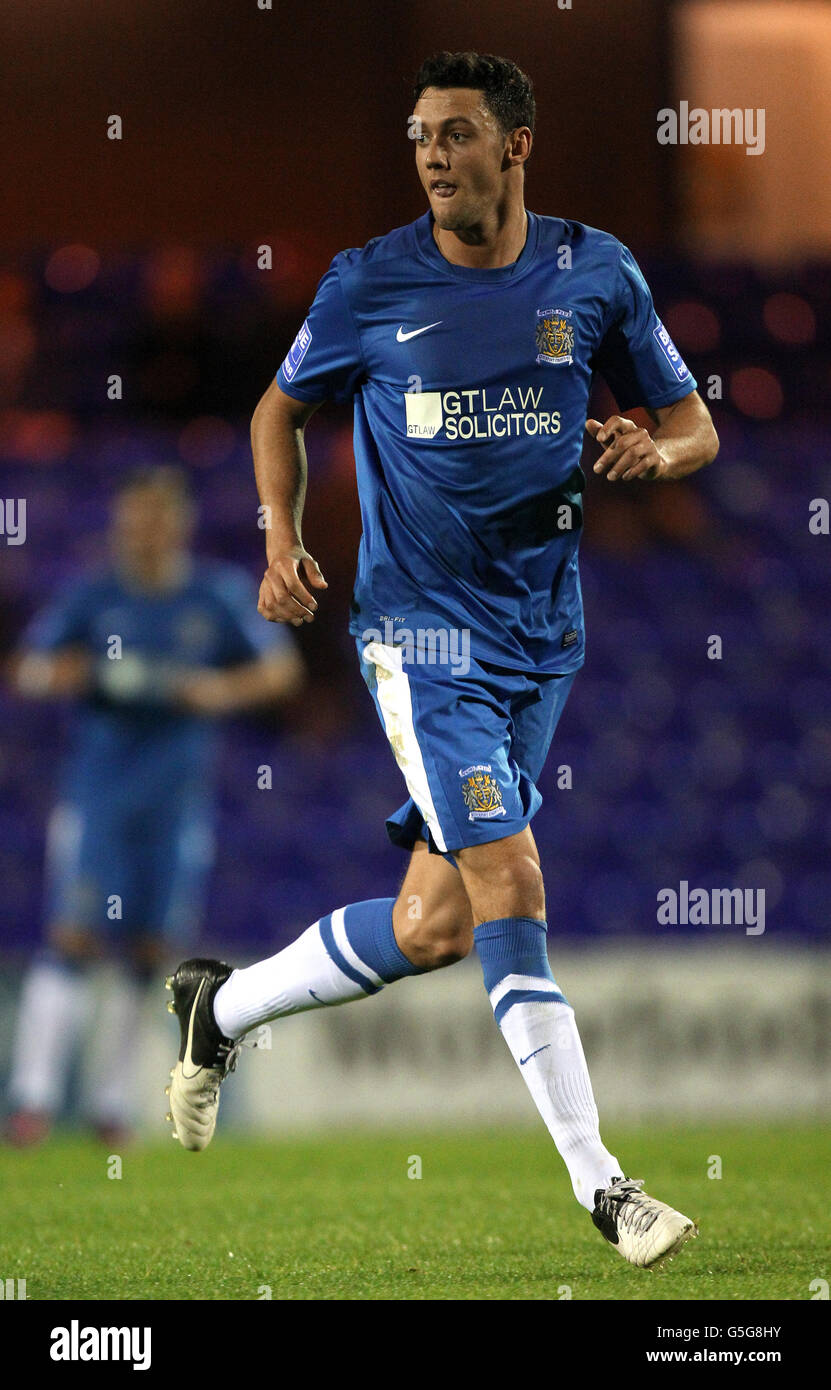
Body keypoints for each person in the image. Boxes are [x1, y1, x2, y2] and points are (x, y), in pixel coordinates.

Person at [165, 52, 718, 1270]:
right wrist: (280, 537)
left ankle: (225, 1005)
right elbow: (277, 410)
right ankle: (608, 1189)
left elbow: (695, 426)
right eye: (419, 134)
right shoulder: (370, 282)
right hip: (420, 637)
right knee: (511, 878)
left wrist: (650, 456)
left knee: (436, 926)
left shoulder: (598, 271)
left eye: (457, 134)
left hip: (544, 637)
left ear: (516, 146)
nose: (431, 154)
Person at [5, 465, 303, 1145]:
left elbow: (281, 670)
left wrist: (214, 691)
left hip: (175, 806)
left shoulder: (215, 595)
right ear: (118, 525)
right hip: (98, 799)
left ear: (179, 525)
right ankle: (33, 1100)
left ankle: (110, 1105)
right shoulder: (91, 597)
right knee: (74, 937)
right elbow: (28, 668)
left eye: (156, 519)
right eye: (132, 519)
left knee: (150, 950)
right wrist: (77, 673)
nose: (143, 533)